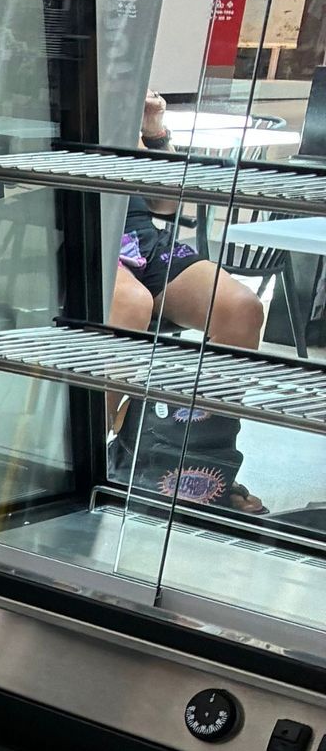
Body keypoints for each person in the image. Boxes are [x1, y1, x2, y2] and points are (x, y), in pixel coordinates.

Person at [108, 92, 267, 513]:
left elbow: (166, 202)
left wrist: (153, 131)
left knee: (241, 309)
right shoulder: (68, 95)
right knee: (131, 305)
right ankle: (97, 456)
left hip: (141, 240)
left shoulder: (119, 102)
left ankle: (196, 462)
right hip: (85, 238)